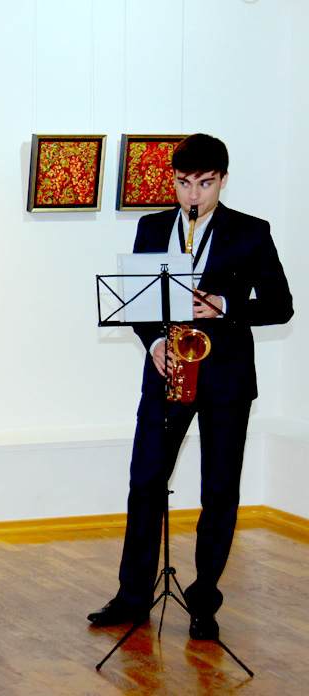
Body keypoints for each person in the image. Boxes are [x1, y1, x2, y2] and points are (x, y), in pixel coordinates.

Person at [88, 134, 293, 639]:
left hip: (225, 378)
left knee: (219, 490)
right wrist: (155, 341)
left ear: (223, 180)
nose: (193, 195)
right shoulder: (152, 227)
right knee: (145, 482)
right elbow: (138, 301)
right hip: (167, 371)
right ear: (173, 181)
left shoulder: (251, 231)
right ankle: (133, 595)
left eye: (205, 184)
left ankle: (204, 601)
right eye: (184, 184)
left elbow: (281, 305)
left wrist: (224, 305)